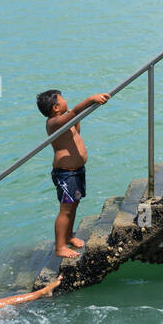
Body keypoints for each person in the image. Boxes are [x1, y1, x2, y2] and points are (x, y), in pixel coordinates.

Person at [36, 89, 110, 258]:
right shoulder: (53, 123)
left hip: (76, 171)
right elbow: (76, 111)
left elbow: (76, 125)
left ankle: (69, 236)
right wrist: (91, 98)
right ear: (55, 107)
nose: (65, 100)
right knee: (66, 210)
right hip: (65, 174)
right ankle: (60, 246)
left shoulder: (64, 121)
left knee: (73, 206)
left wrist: (75, 117)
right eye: (62, 99)